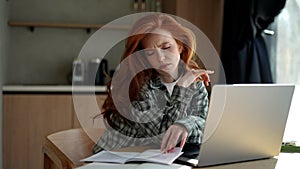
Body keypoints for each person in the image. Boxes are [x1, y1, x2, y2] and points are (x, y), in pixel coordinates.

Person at [93, 13, 213, 157]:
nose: (160, 57)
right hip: (112, 159)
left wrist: (185, 124)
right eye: (150, 53)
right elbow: (161, 137)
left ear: (180, 46)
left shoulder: (195, 84)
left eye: (166, 47)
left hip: (155, 160)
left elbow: (204, 130)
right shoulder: (139, 86)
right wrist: (180, 88)